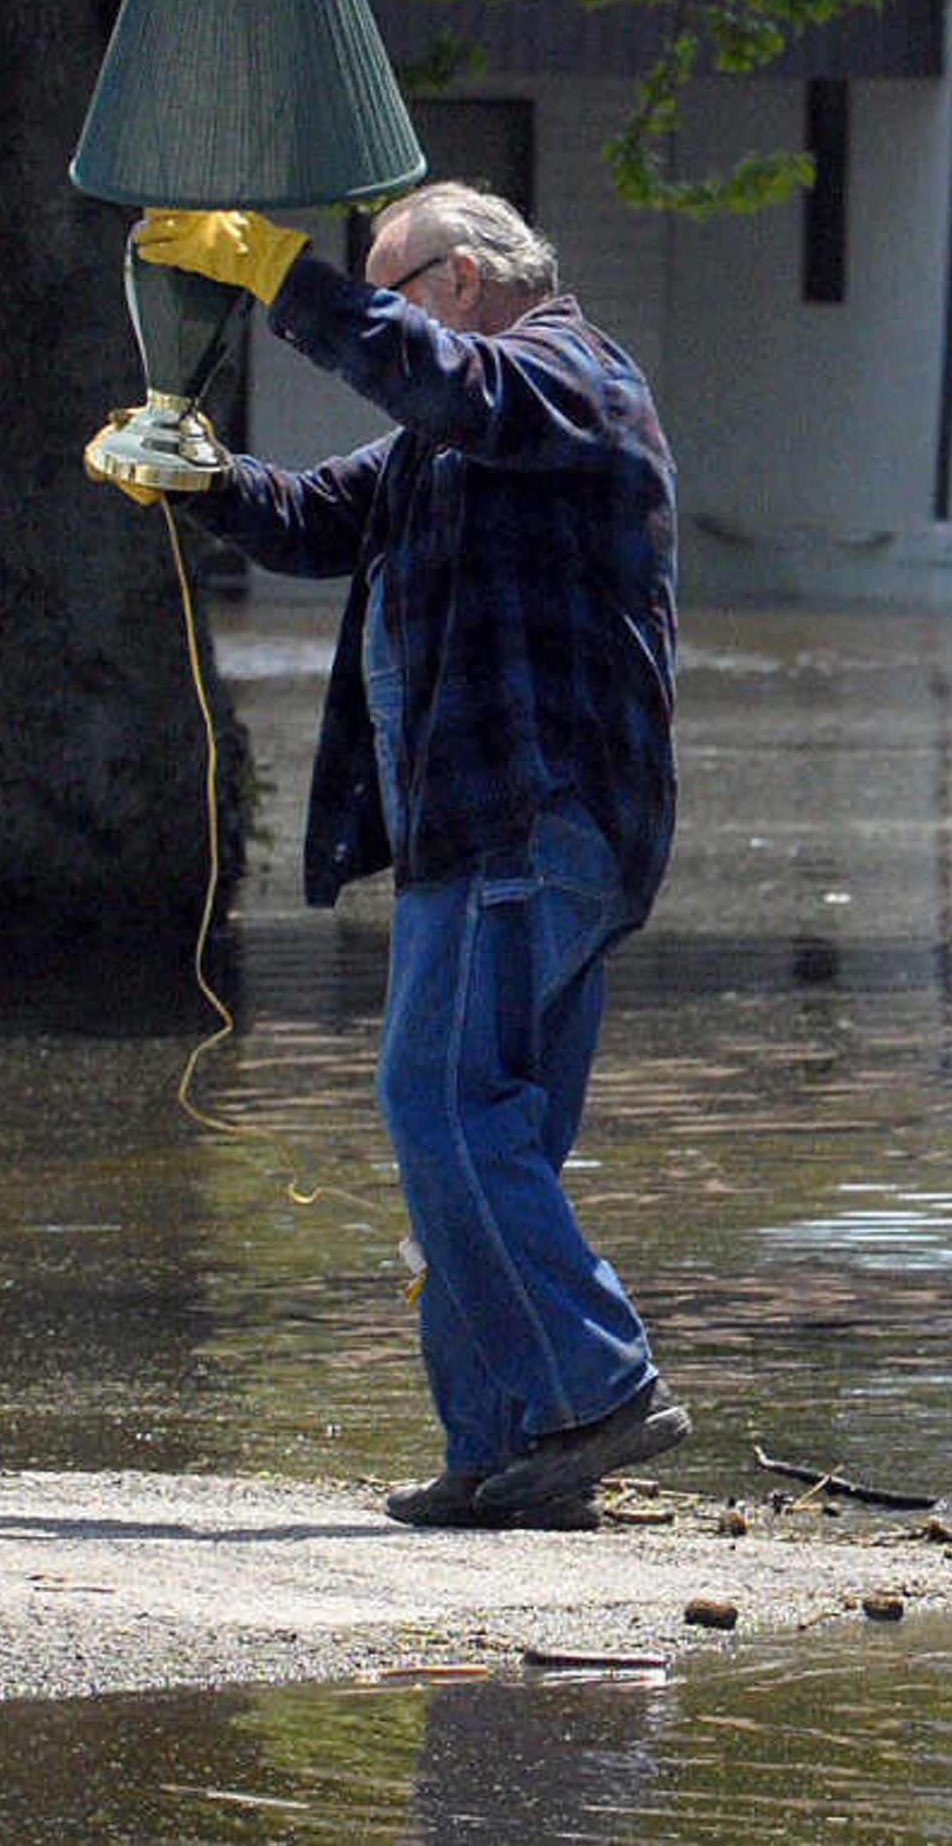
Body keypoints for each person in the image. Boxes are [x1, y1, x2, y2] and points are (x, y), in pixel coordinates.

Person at [94, 183, 687, 1530]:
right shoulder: (468, 431)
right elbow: (318, 517)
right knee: (491, 1130)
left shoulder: (566, 375)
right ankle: (508, 1447)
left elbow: (427, 372)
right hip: (512, 824)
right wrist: (198, 478)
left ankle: (596, 1383)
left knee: (442, 1107)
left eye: (391, 285)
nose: (382, 315)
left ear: (463, 280)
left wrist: (275, 272)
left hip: (524, 814)